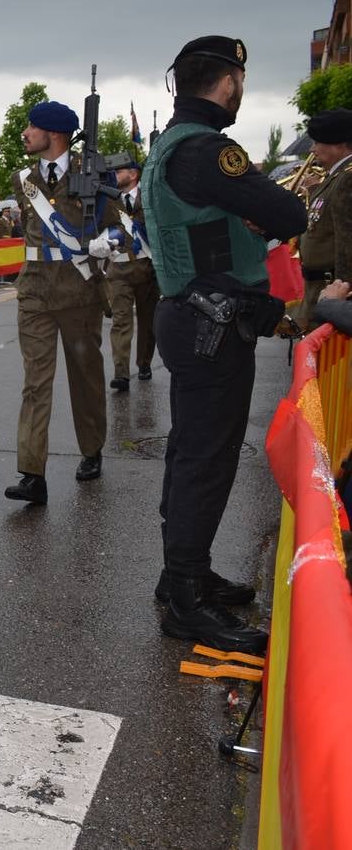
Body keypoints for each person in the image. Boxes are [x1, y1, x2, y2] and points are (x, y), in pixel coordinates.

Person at [145, 35, 307, 653]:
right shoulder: (210, 151)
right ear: (229, 81)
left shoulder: (168, 146)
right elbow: (288, 215)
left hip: (189, 316)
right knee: (205, 460)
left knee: (192, 451)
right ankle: (186, 599)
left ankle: (181, 574)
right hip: (210, 323)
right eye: (242, 81)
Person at [4, 100, 122, 505]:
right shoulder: (23, 181)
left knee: (85, 377)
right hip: (34, 291)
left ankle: (91, 449)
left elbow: (121, 227)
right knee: (35, 383)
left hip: (79, 291)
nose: (25, 133)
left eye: (31, 127)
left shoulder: (92, 175)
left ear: (53, 134)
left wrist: (110, 243)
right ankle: (32, 473)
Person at [105, 161, 160, 392]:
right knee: (120, 322)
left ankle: (144, 363)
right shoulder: (108, 200)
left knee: (148, 321)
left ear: (133, 174)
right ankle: (121, 373)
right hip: (118, 269)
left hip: (146, 268)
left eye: (119, 171)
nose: (115, 174)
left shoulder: (150, 198)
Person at [303, 109, 352, 290]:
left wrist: (343, 291)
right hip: (318, 285)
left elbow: (347, 243)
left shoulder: (347, 179)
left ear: (338, 144)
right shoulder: (337, 177)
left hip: (331, 287)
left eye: (317, 142)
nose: (312, 149)